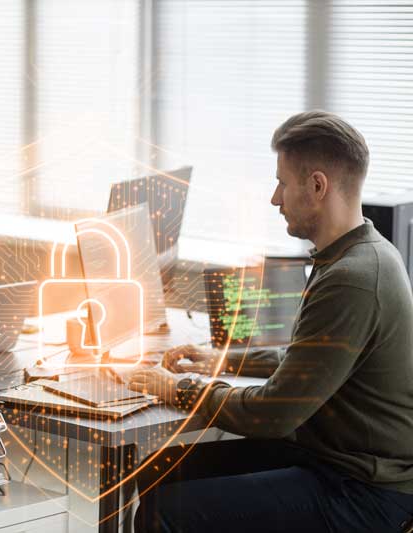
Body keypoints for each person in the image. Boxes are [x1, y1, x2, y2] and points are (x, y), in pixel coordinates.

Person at [129, 111, 413, 532]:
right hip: (335, 460)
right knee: (160, 469)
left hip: (363, 489)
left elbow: (275, 414)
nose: (274, 198)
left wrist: (179, 389)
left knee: (163, 511)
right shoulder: (360, 252)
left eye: (282, 182)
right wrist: (222, 359)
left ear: (317, 186)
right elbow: (309, 358)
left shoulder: (352, 278)